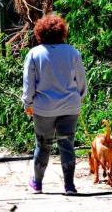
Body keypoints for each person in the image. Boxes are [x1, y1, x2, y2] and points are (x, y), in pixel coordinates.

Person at [23, 14, 87, 195]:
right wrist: (78, 98)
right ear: (62, 32)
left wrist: (27, 103)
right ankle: (69, 186)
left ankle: (37, 183)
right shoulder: (73, 52)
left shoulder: (34, 54)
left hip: (43, 109)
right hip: (70, 106)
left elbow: (29, 84)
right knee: (67, 144)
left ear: (39, 33)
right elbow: (81, 81)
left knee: (42, 145)